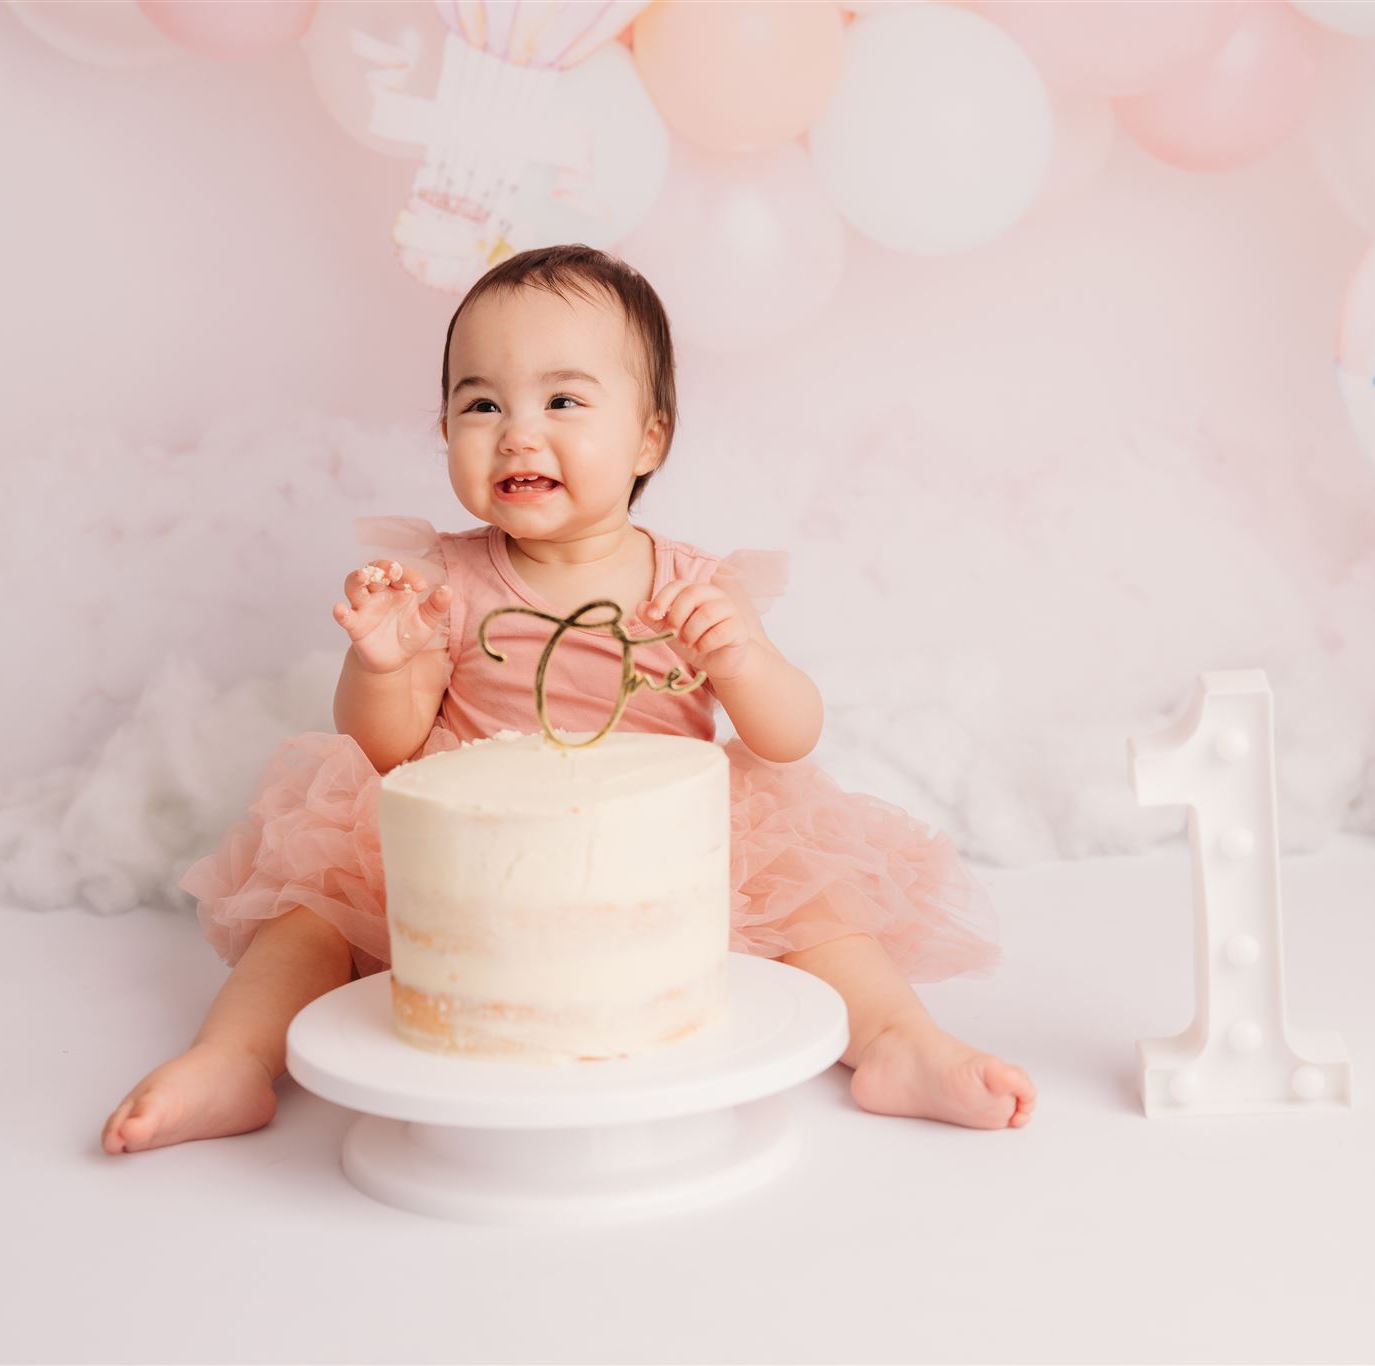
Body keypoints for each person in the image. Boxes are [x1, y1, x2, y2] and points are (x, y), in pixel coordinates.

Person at [102, 245, 1036, 1155]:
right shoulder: (445, 581)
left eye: (561, 400)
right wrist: (388, 666)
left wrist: (744, 659)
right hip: (474, 860)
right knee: (309, 915)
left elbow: (791, 737)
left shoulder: (692, 587)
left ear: (648, 437)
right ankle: (231, 1058)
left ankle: (897, 1044)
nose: (517, 430)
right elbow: (384, 750)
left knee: (818, 911)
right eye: (480, 403)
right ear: (444, 432)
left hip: (660, 852)